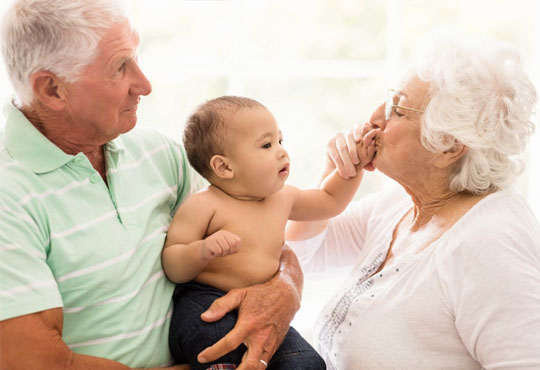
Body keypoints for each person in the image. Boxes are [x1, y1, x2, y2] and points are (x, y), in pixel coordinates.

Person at [0, 1, 305, 369]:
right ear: (52, 89)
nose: (144, 85)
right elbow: (38, 363)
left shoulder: (158, 154)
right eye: (120, 67)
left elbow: (255, 232)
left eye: (136, 58)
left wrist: (285, 287)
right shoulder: (9, 195)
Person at [286, 34, 540, 370]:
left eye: (397, 108)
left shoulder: (490, 242)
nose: (375, 117)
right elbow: (304, 257)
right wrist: (331, 181)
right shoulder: (401, 203)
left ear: (448, 146)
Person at [162, 96, 377, 370]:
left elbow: (329, 201)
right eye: (266, 145)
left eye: (280, 140)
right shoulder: (204, 205)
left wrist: (354, 168)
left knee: (307, 362)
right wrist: (202, 250)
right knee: (215, 341)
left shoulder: (283, 198)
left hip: (265, 305)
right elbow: (173, 265)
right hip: (205, 299)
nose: (281, 152)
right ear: (224, 167)